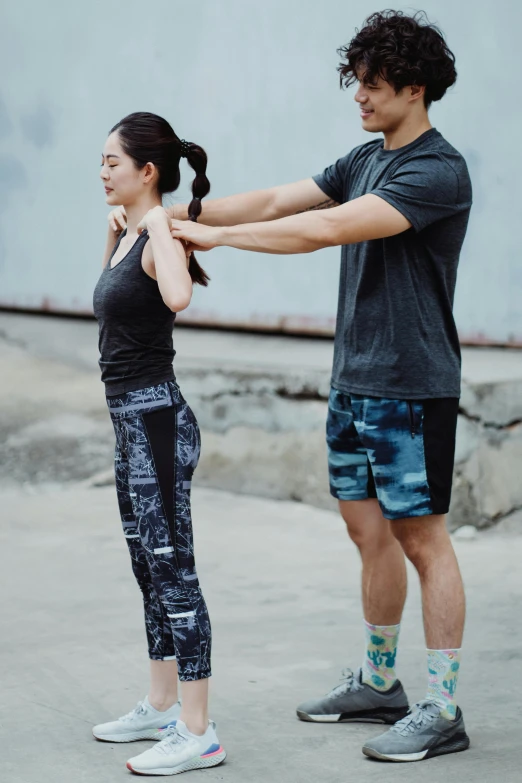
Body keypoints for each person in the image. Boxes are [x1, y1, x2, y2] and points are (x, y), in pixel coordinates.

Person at [167, 9, 473, 763]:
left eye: (373, 85)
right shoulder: (364, 157)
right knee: (367, 533)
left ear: (415, 87)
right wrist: (178, 216)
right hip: (355, 378)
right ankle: (379, 683)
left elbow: (326, 229)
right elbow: (278, 202)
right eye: (357, 82)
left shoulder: (436, 170)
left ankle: (442, 706)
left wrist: (216, 239)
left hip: (412, 383)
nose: (359, 97)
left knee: (423, 539)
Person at [92, 112, 226, 776]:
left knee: (174, 570)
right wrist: (122, 232)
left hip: (156, 422)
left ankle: (198, 729)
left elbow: (176, 295)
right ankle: (161, 703)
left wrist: (158, 229)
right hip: (128, 422)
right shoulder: (123, 233)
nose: (103, 170)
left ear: (148, 172)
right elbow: (123, 308)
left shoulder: (157, 232)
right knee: (149, 568)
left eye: (113, 161)